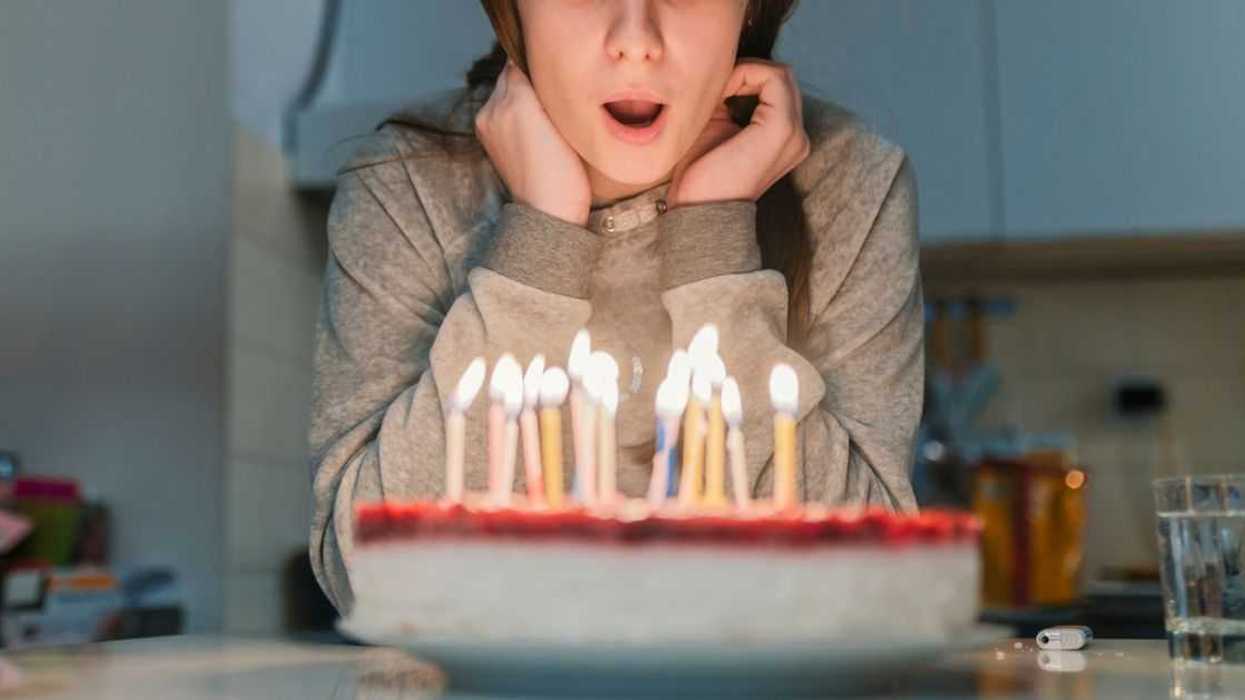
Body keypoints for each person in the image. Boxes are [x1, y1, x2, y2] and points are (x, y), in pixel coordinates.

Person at [309, 0, 923, 611]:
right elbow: (369, 579)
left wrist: (715, 234)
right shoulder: (410, 184)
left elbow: (868, 589)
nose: (636, 40)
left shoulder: (849, 184)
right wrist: (540, 237)